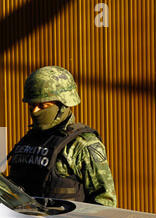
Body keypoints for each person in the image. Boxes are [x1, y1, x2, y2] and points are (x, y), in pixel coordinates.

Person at [8, 66, 117, 207]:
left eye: (43, 106)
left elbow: (105, 202)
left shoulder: (82, 145)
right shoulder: (30, 140)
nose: (35, 111)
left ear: (63, 105)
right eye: (31, 105)